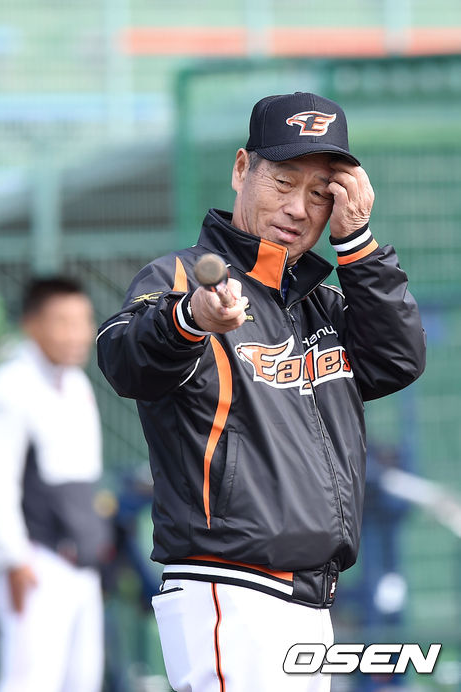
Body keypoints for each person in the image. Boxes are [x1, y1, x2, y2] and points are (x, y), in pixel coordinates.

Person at [97, 92, 426, 691]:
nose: (299, 208)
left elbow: (396, 361)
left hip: (310, 598)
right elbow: (124, 357)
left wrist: (358, 243)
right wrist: (191, 318)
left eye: (321, 193)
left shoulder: (320, 302)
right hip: (229, 589)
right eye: (283, 181)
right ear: (242, 168)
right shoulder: (181, 276)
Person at [0, 277, 107, 692]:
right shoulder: (10, 385)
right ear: (31, 324)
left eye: (83, 321)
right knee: (29, 682)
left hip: (81, 563)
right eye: (63, 322)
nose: (77, 333)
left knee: (82, 681)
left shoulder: (76, 383)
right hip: (36, 563)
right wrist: (13, 559)